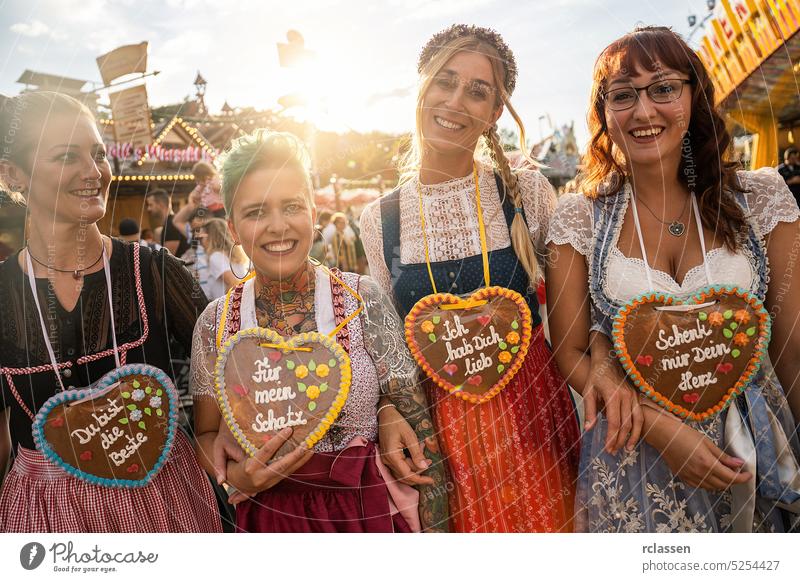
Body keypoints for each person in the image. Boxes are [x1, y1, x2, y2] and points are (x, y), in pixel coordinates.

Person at [546, 26, 800, 532]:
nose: (643, 113)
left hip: (758, 443)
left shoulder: (762, 199)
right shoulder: (579, 218)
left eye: (663, 88)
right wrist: (659, 426)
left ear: (694, 96)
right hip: (634, 456)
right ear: (604, 113)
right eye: (623, 95)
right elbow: (569, 350)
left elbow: (792, 350)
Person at [360, 24, 580, 532]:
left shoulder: (525, 192)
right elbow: (388, 348)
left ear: (494, 113)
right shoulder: (381, 218)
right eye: (444, 81)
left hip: (534, 419)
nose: (456, 101)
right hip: (440, 435)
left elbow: (573, 320)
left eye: (478, 91)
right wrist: (390, 411)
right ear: (421, 86)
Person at [190, 129, 445, 532]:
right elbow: (205, 434)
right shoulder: (215, 325)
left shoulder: (364, 301)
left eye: (291, 206)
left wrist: (383, 408)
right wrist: (234, 479)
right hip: (269, 522)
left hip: (368, 514)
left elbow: (421, 438)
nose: (277, 225)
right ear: (233, 228)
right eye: (256, 212)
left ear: (312, 213)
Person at [0, 91, 220, 532]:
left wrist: (217, 449)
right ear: (13, 174)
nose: (94, 172)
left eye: (98, 154)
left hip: (167, 501)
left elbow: (225, 365)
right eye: (66, 157)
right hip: (47, 518)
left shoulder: (152, 271)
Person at [195, 217, 249, 300]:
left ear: (211, 237)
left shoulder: (216, 256)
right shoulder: (235, 253)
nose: (200, 243)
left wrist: (225, 307)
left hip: (229, 307)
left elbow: (233, 283)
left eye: (201, 238)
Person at [145, 188, 189, 257]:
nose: (148, 209)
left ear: (160, 205)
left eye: (151, 205)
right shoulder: (170, 223)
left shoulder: (171, 225)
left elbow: (167, 258)